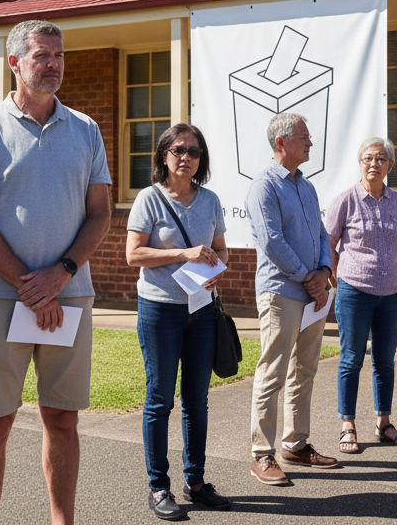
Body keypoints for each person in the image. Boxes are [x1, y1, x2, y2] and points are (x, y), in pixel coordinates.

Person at [0, 20, 112, 525]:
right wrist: (30, 284)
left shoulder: (86, 129)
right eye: (43, 55)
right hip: (3, 297)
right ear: (15, 62)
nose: (54, 64)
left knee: (63, 419)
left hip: (69, 295)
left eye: (59, 55)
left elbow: (102, 213)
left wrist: (60, 276)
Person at [126, 124, 232, 520]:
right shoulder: (149, 200)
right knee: (159, 399)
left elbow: (221, 249)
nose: (185, 157)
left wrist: (217, 267)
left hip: (201, 308)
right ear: (163, 156)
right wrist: (184, 254)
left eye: (194, 151)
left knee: (197, 401)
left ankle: (196, 481)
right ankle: (158, 486)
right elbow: (133, 255)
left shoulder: (211, 200)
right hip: (160, 309)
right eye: (177, 150)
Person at [245, 112, 337, 485]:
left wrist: (325, 272)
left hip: (313, 293)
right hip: (282, 292)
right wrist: (308, 278)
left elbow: (323, 233)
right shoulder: (264, 187)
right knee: (273, 372)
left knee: (305, 370)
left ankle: (295, 444)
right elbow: (271, 243)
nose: (311, 142)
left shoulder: (307, 187)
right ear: (281, 142)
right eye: (304, 137)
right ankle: (261, 453)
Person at [326, 137, 397, 454]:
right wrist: (339, 280)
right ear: (360, 162)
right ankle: (347, 424)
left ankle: (384, 422)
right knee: (350, 360)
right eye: (368, 158)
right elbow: (329, 245)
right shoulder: (345, 200)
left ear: (390, 165)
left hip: (391, 293)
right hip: (354, 291)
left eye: (381, 159)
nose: (374, 163)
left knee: (384, 362)